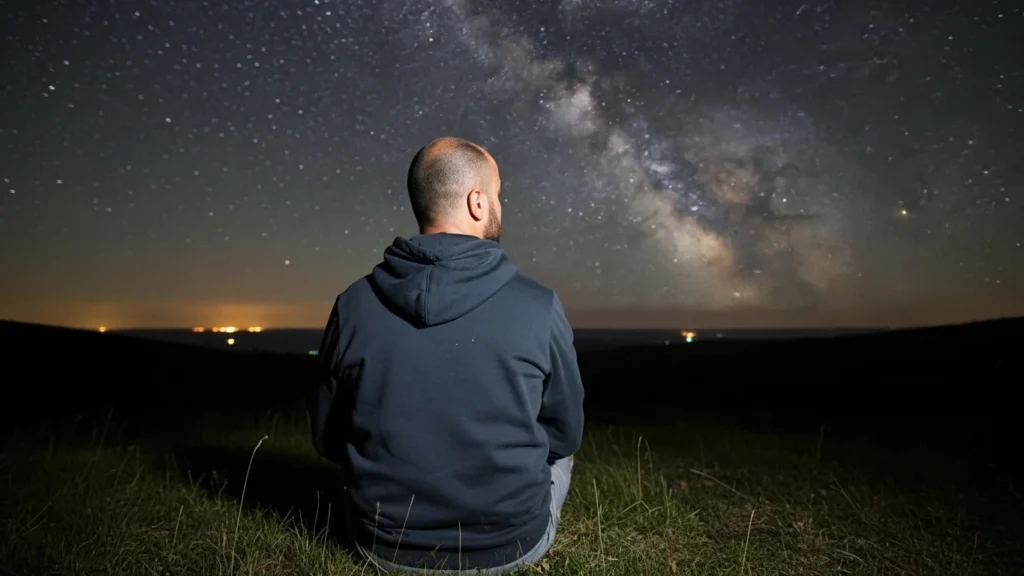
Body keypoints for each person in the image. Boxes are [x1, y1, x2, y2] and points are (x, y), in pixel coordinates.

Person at [309, 137, 586, 574]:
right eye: (497, 193)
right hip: (509, 549)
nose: (500, 203)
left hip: (381, 547)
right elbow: (565, 436)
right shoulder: (538, 304)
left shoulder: (353, 305)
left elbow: (327, 437)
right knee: (562, 457)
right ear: (477, 202)